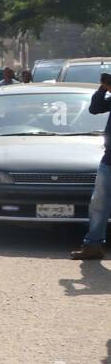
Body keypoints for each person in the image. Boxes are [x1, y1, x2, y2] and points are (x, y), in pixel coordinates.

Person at [72, 76, 111, 259]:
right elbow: (95, 108)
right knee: (98, 205)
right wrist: (103, 89)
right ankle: (93, 246)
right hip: (109, 160)